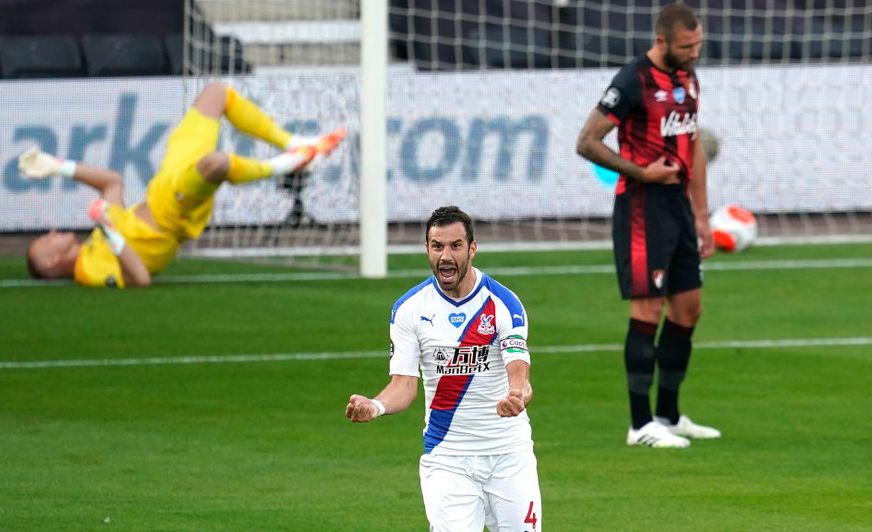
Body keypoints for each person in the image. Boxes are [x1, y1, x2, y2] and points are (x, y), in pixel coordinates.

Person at [19, 81, 345, 288]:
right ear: (51, 263)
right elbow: (141, 279)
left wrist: (59, 167)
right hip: (171, 213)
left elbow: (112, 183)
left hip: (164, 182)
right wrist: (108, 228)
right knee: (216, 163)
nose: (50, 233)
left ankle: (295, 144)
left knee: (216, 93)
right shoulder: (88, 271)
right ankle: (290, 163)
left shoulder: (92, 242)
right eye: (45, 242)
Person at [576, 3, 720, 448]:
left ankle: (669, 415)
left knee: (688, 308)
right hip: (641, 206)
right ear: (661, 42)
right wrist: (641, 172)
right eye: (685, 46)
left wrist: (701, 215)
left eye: (698, 45)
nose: (693, 52)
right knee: (648, 310)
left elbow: (692, 147)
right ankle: (640, 426)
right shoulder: (632, 80)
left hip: (678, 206)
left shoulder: (688, 78)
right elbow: (587, 141)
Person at [346, 206, 542, 531]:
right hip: (447, 457)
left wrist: (518, 395)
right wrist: (376, 405)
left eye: (455, 246)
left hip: (509, 454)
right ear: (427, 249)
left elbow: (520, 374)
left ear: (472, 249)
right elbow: (404, 385)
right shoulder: (410, 309)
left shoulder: (504, 304)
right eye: (437, 246)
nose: (445, 256)